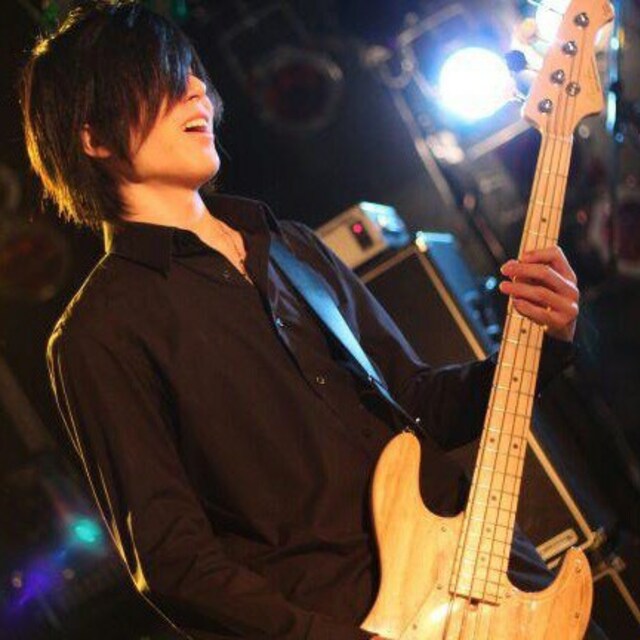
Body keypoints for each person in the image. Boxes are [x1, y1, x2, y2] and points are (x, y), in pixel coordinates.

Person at [21, 2, 592, 639]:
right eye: (162, 79)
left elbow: (417, 402)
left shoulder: (290, 246)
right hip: (354, 620)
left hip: (490, 571)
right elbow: (174, 563)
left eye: (192, 72)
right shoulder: (98, 333)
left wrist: (544, 341)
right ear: (94, 138)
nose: (197, 89)